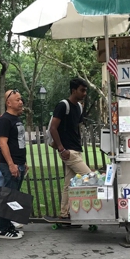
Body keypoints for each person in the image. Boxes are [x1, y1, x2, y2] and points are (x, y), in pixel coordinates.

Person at [49, 78, 91, 220]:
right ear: (74, 91)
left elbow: (76, 128)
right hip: (68, 151)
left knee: (69, 184)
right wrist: (61, 149)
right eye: (82, 90)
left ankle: (64, 213)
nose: (84, 93)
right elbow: (53, 127)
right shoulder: (63, 105)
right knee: (89, 176)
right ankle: (92, 211)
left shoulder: (79, 107)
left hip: (76, 149)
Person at [0, 89, 28, 240]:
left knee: (13, 195)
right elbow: (3, 143)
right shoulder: (5, 120)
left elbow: (19, 142)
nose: (21, 102)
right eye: (18, 100)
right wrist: (11, 164)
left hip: (19, 162)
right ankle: (2, 229)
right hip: (10, 164)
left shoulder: (17, 119)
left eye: (21, 99)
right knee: (8, 195)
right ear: (9, 103)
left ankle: (9, 225)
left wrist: (23, 162)